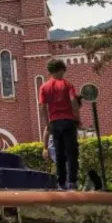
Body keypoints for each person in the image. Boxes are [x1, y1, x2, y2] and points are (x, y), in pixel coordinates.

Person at [39, 59, 81, 190]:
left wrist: (48, 123)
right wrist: (77, 118)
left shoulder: (44, 87)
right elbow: (74, 101)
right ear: (61, 70)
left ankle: (61, 183)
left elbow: (42, 107)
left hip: (55, 122)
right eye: (63, 71)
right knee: (72, 153)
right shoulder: (67, 85)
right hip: (68, 121)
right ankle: (72, 182)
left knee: (59, 153)